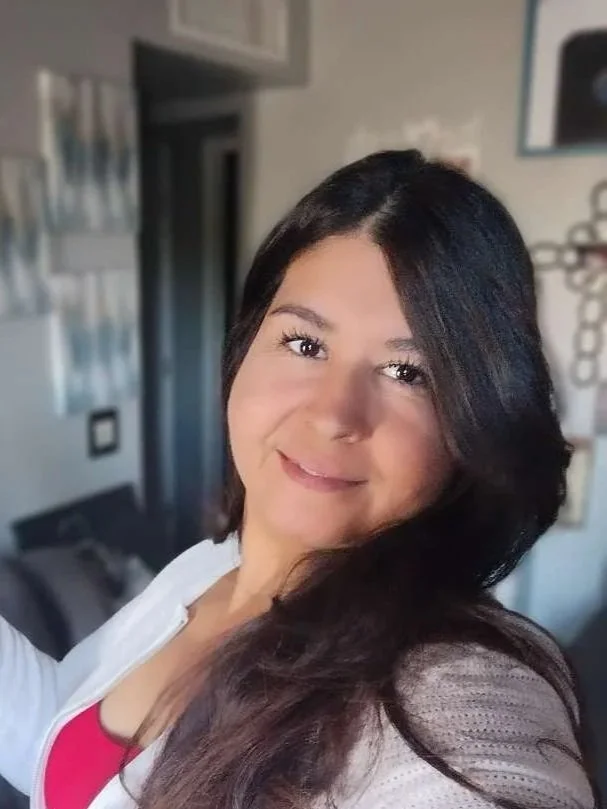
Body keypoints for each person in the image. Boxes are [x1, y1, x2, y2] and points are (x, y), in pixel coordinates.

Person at [0, 150, 599, 809]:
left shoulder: (450, 685)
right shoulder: (208, 569)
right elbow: (65, 761)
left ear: (472, 422)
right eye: (305, 344)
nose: (332, 414)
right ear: (244, 348)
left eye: (408, 373)